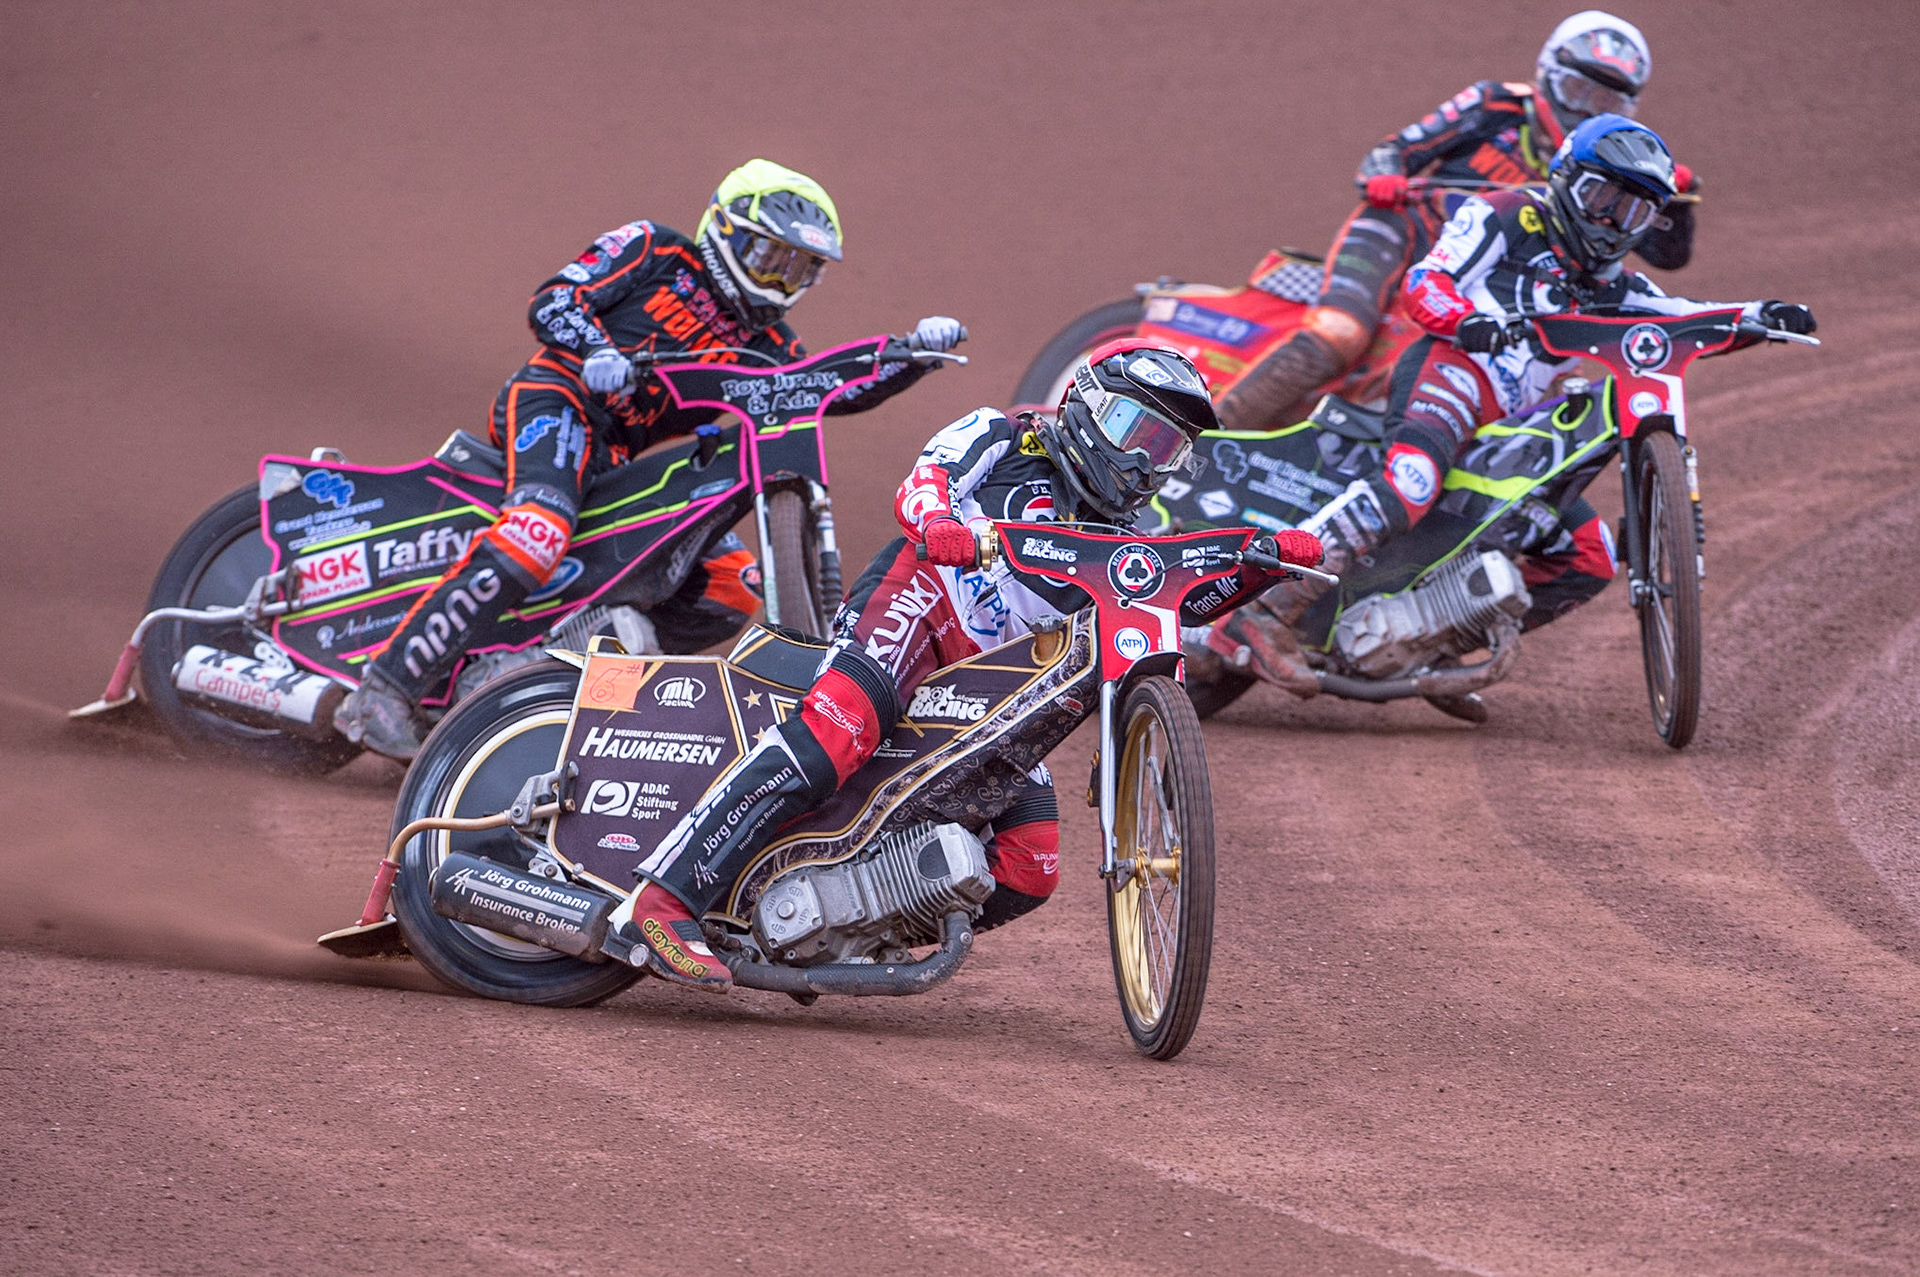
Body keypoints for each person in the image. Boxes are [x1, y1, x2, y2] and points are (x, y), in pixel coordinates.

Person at [596, 342, 1320, 991]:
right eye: (1143, 433)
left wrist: (1264, 565)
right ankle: (662, 902)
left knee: (1031, 865)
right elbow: (924, 482)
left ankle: (841, 929)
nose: (1150, 463)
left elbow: (1184, 601)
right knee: (835, 737)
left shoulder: (1134, 534)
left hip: (1000, 680)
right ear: (1091, 408)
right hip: (922, 605)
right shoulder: (1002, 434)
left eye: (1170, 450)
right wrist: (943, 524)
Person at [335, 159, 966, 759]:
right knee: (538, 531)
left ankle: (538, 668)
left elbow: (825, 390)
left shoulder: (769, 344)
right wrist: (597, 350)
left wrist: (910, 357)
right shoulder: (654, 248)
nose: (777, 279)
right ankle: (385, 688)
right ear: (724, 230)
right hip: (559, 400)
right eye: (768, 257)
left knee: (733, 590)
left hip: (621, 455)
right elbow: (554, 299)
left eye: (796, 269)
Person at [1213, 115, 1816, 694]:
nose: (1611, 219)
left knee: (1591, 556)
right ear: (1563, 179)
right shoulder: (1505, 214)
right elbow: (1427, 281)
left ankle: (1432, 649)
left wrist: (1757, 317)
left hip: (1514, 425)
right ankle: (1264, 611)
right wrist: (1468, 321)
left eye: (1632, 207)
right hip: (1453, 369)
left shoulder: (1618, 287)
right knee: (1411, 481)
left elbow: (1681, 317)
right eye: (1601, 195)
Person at [1219, 10, 1699, 432]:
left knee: (1518, 386)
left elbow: (1667, 256)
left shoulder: (1607, 171)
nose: (1585, 111)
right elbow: (1392, 152)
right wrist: (1385, 176)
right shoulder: (1494, 105)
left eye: (1606, 103)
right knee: (1339, 335)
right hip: (1404, 233)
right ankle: (1199, 439)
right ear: (1549, 75)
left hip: (1480, 283)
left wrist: (1674, 202)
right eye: (1579, 90)